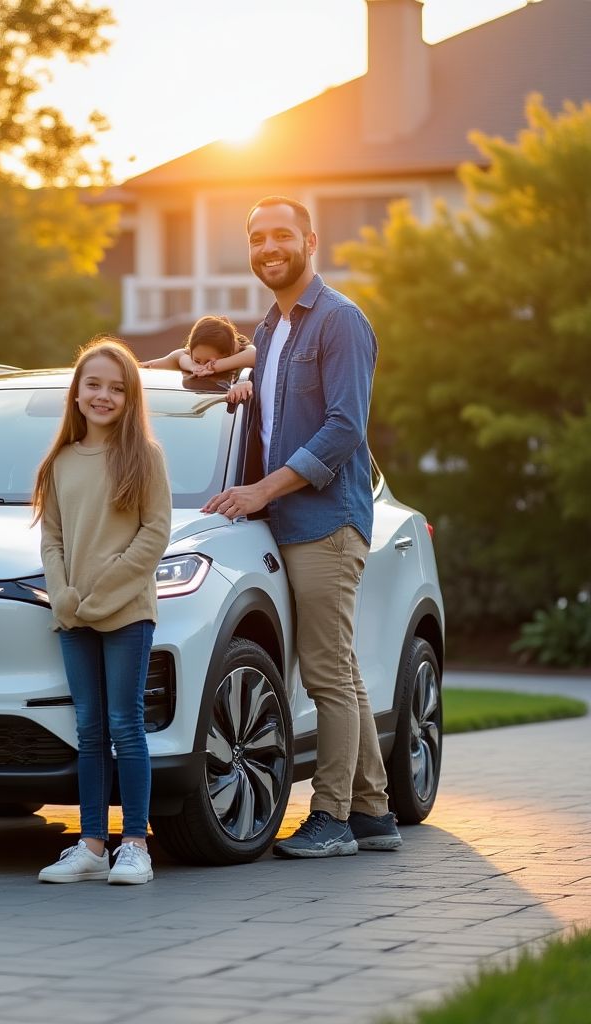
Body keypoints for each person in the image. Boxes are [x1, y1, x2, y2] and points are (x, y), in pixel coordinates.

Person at [203, 196, 402, 858]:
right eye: (257, 238)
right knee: (338, 667)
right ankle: (373, 812)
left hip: (323, 522)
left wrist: (263, 487)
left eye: (281, 235)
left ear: (310, 240)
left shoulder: (340, 322)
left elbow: (344, 426)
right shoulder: (270, 331)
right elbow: (262, 383)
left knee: (325, 674)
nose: (268, 248)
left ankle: (334, 818)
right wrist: (234, 383)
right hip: (289, 524)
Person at [32, 338, 172, 884]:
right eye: (93, 384)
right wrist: (64, 595)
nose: (103, 395)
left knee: (125, 724)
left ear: (131, 397)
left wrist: (103, 593)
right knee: (88, 728)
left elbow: (155, 534)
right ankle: (91, 843)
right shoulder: (61, 461)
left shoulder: (144, 457)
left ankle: (133, 844)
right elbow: (52, 539)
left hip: (126, 613)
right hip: (71, 614)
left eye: (117, 387)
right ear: (77, 392)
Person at [141, 314, 256, 379]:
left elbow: (254, 355)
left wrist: (216, 366)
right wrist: (193, 367)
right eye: (197, 360)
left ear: (228, 354)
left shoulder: (241, 350)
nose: (202, 366)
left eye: (209, 361)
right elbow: (177, 356)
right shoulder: (190, 357)